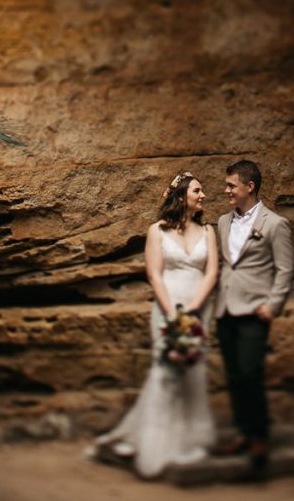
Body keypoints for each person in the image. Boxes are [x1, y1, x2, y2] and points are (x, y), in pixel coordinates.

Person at [92, 171, 218, 478]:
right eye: (197, 191)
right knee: (166, 372)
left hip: (198, 308)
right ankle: (153, 443)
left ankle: (189, 441)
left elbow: (212, 272)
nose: (203, 196)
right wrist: (174, 314)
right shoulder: (157, 231)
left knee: (193, 370)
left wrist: (193, 310)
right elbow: (154, 275)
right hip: (167, 309)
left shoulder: (209, 232)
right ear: (181, 196)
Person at [214, 159, 294, 476]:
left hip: (254, 311)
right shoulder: (222, 222)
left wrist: (272, 305)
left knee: (250, 373)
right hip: (225, 309)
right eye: (226, 185)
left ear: (250, 186)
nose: (227, 190)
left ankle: (259, 436)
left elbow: (285, 269)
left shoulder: (275, 224)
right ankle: (243, 434)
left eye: (232, 185)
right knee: (234, 375)